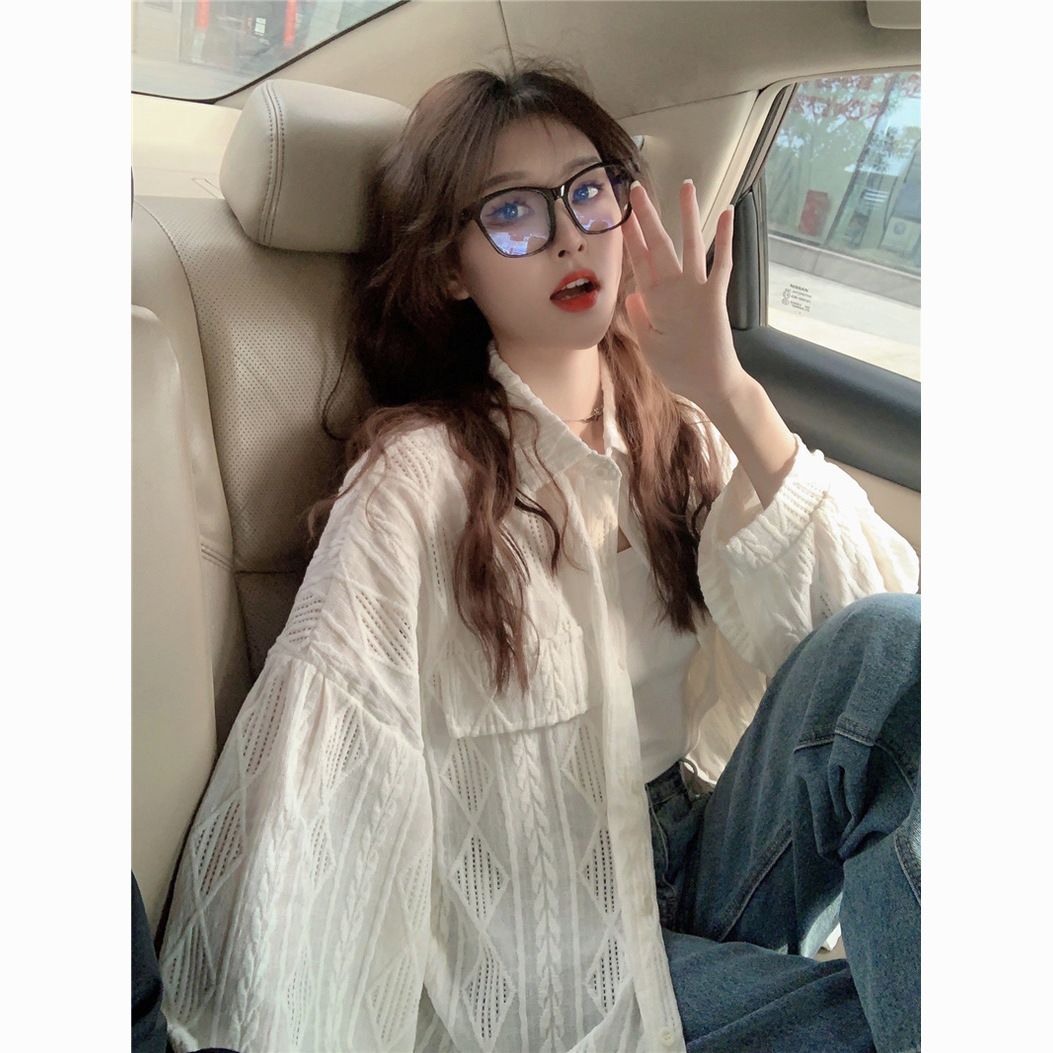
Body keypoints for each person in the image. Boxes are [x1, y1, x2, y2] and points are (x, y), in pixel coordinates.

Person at [158, 60, 920, 1053]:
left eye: (587, 191)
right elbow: (327, 767)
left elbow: (875, 638)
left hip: (709, 844)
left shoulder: (676, 427)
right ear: (450, 270)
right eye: (513, 213)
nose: (568, 233)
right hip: (546, 929)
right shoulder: (418, 475)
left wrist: (727, 388)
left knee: (898, 646)